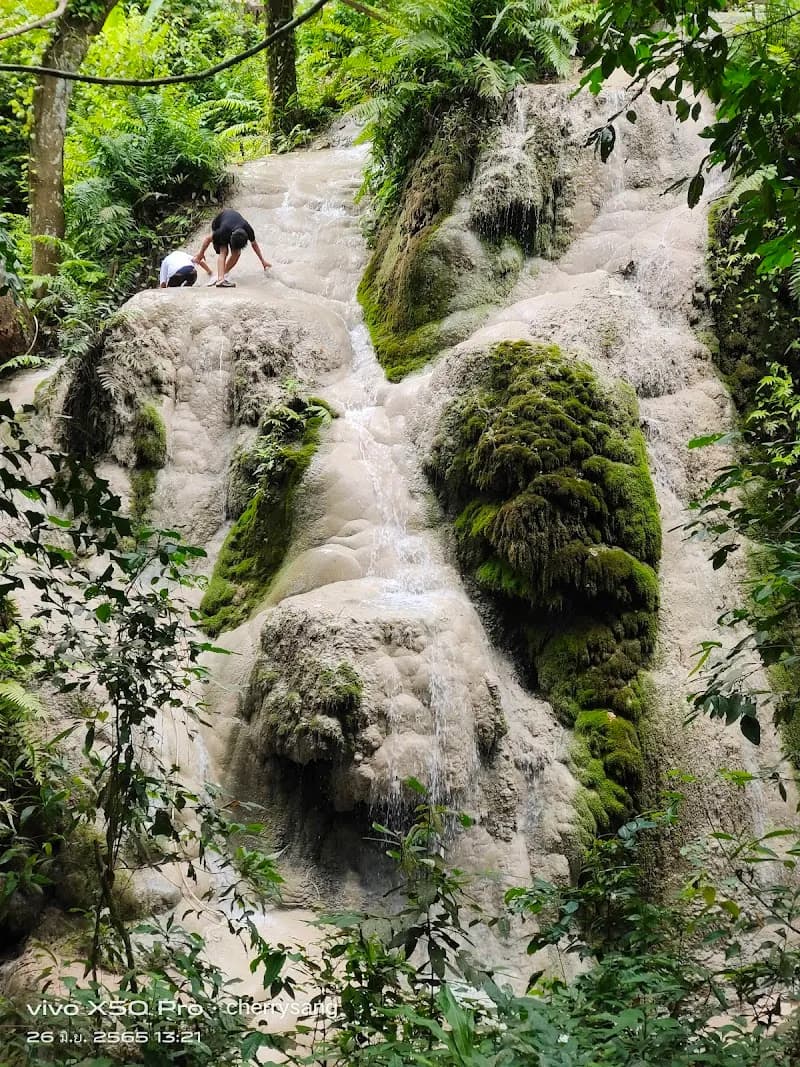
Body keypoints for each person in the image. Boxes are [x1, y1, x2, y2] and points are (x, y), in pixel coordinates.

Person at [193, 209, 271, 287]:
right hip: (218, 224)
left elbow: (254, 245)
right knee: (224, 251)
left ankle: (224, 273)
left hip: (232, 225)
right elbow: (207, 239)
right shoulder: (222, 231)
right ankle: (220, 280)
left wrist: (263, 261)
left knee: (237, 253)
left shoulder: (248, 229)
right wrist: (201, 254)